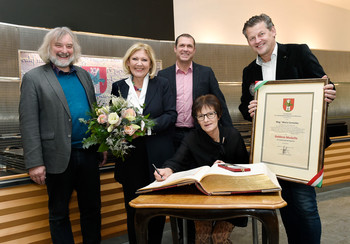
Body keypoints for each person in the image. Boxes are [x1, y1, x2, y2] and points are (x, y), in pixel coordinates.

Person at [239, 14, 336, 244]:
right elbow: (244, 105)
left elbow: (323, 82)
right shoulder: (249, 71)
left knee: (305, 206)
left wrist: (329, 89)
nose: (257, 40)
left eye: (261, 34)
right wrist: (249, 108)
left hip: (302, 149)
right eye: (252, 38)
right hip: (271, 151)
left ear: (273, 31)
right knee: (285, 207)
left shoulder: (298, 52)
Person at [19, 27, 106, 244]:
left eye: (69, 46)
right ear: (48, 47)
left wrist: (102, 146)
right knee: (59, 214)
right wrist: (35, 162)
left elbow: (95, 114)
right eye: (59, 45)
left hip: (88, 154)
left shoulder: (84, 75)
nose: (64, 50)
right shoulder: (33, 78)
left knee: (92, 210)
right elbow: (28, 123)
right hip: (56, 157)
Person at [157, 33, 233, 242]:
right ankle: (183, 234)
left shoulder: (205, 73)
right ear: (175, 48)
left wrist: (230, 134)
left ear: (194, 50)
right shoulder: (162, 76)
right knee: (176, 186)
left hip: (198, 137)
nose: (185, 49)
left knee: (198, 185)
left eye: (189, 46)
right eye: (181, 45)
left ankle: (201, 231)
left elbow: (220, 103)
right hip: (171, 137)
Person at [155, 94, 249, 244]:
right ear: (196, 120)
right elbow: (177, 160)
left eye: (210, 114)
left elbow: (246, 168)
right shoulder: (192, 138)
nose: (206, 120)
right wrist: (167, 169)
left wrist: (226, 168)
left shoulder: (233, 136)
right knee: (203, 239)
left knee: (218, 239)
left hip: (231, 199)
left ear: (219, 115)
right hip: (203, 199)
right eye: (200, 116)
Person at [111, 43, 177, 244]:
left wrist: (144, 127)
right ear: (128, 61)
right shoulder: (119, 86)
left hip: (156, 155)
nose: (139, 63)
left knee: (155, 207)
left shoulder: (162, 84)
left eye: (144, 60)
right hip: (129, 156)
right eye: (135, 59)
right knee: (133, 206)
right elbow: (112, 117)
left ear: (150, 64)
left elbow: (171, 115)